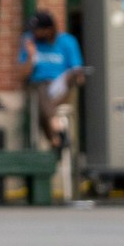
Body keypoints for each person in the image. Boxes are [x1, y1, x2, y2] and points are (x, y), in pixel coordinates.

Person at [18, 9, 86, 151]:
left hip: (61, 88)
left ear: (48, 30)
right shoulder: (29, 41)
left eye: (37, 30)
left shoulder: (67, 41)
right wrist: (31, 56)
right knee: (41, 87)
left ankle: (55, 136)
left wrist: (74, 76)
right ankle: (58, 132)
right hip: (39, 88)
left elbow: (78, 73)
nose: (34, 33)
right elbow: (23, 75)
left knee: (55, 83)